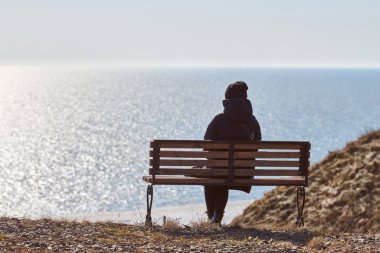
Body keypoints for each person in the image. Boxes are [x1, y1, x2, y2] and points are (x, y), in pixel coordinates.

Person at [204, 81, 262, 224]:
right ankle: (217, 216)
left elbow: (206, 144)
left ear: (227, 100)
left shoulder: (219, 119)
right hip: (243, 171)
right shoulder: (253, 121)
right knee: (223, 179)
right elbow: (257, 144)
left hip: (218, 169)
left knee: (213, 177)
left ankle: (212, 216)